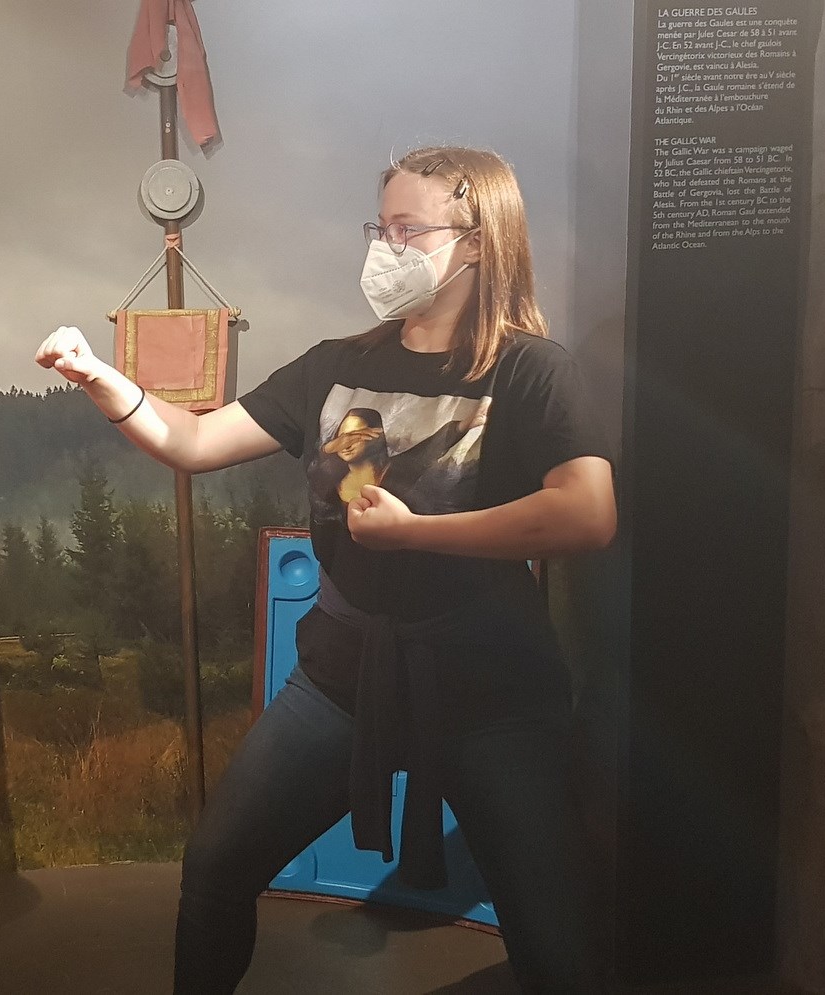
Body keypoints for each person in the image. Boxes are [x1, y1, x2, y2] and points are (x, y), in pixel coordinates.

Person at [35, 146, 615, 994]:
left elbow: (587, 511)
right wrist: (99, 379)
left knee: (553, 944)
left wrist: (418, 534)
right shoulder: (334, 365)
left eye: (408, 229)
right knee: (216, 867)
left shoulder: (531, 369)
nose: (386, 247)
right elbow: (193, 441)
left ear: (477, 240)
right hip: (344, 677)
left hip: (492, 687)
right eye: (379, 228)